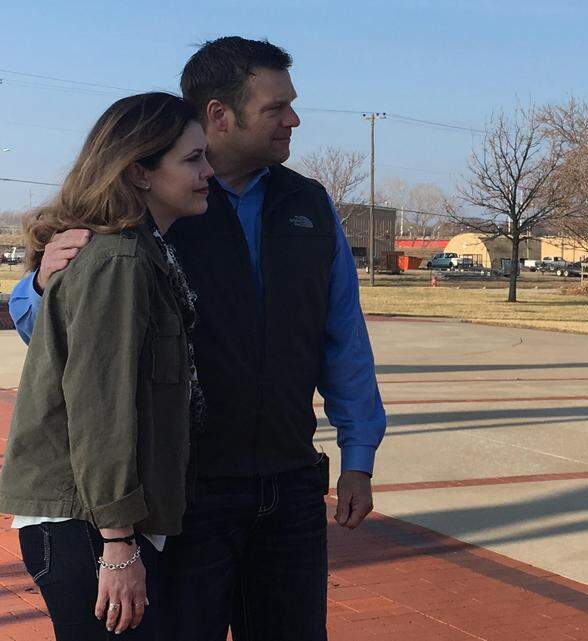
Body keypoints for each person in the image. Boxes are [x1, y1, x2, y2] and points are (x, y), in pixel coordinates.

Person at [8, 37, 386, 640]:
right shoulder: (146, 219)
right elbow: (79, 360)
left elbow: (343, 335)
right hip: (187, 496)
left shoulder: (308, 206)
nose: (293, 119)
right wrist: (41, 282)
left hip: (288, 483)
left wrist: (359, 455)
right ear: (219, 115)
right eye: (276, 106)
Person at [0, 92, 211, 639]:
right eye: (192, 159)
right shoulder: (118, 261)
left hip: (100, 521)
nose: (208, 171)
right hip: (88, 524)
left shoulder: (143, 251)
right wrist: (117, 546)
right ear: (139, 173)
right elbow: (100, 409)